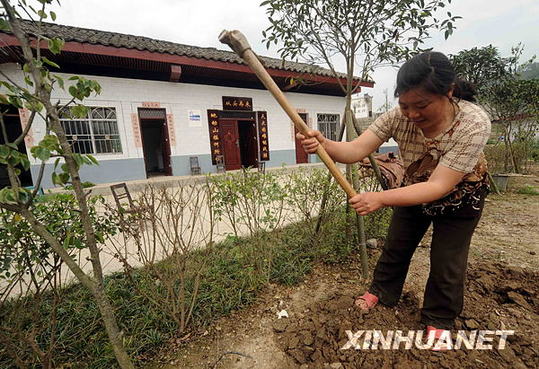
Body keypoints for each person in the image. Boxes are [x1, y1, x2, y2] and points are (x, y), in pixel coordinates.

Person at [298, 51, 491, 337]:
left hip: (460, 197)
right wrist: (324, 143)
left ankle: (439, 318)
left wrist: (379, 198)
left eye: (422, 105)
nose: (412, 114)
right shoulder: (396, 117)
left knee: (447, 260)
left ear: (449, 93)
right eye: (404, 105)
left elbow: (438, 186)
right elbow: (353, 151)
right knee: (396, 246)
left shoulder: (473, 123)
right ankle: (382, 291)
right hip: (413, 188)